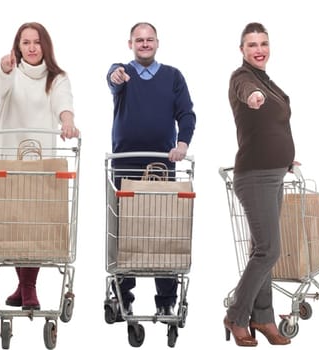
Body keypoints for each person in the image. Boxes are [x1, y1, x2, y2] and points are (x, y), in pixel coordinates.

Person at [106, 22, 195, 318]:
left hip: (161, 163)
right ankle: (124, 295)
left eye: (150, 40)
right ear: (130, 43)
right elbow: (112, 78)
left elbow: (186, 113)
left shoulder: (172, 76)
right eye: (139, 40)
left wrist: (182, 144)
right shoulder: (122, 73)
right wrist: (115, 74)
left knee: (163, 228)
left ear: (158, 43)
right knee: (125, 229)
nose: (145, 44)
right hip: (126, 162)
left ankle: (166, 298)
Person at [0, 22, 80, 311]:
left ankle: (28, 286)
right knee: (14, 221)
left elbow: (62, 101)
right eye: (25, 42)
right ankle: (23, 286)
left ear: (45, 46)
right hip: (7, 156)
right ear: (17, 46)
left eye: (36, 42)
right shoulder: (11, 72)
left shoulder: (57, 77)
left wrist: (67, 120)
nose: (31, 47)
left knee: (35, 223)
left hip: (40, 158)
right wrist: (6, 68)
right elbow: (2, 86)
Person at [223, 22, 292, 347]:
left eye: (263, 43)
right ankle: (237, 315)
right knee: (269, 250)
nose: (259, 49)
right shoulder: (243, 78)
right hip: (255, 175)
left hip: (274, 173)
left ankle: (262, 317)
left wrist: (287, 159)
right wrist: (252, 96)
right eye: (252, 45)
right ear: (242, 50)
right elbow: (246, 90)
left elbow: (273, 125)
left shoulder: (268, 79)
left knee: (260, 250)